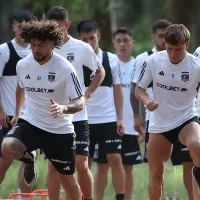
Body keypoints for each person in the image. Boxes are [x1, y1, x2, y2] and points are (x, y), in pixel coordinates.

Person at [1, 19, 85, 200]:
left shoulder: (65, 68)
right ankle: (29, 159)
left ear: (52, 44)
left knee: (68, 181)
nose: (36, 49)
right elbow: (21, 86)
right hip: (32, 122)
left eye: (41, 45)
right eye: (33, 45)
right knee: (7, 147)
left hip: (59, 130)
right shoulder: (23, 65)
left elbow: (80, 102)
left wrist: (63, 108)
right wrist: (17, 112)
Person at [135, 24, 200, 200]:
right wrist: (147, 101)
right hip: (160, 123)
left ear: (187, 44)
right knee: (156, 176)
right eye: (169, 49)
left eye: (177, 50)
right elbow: (138, 90)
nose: (172, 55)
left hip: (187, 117)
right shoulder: (154, 60)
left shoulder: (196, 66)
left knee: (197, 145)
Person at [46, 7, 105, 200]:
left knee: (81, 164)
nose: (53, 29)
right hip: (54, 116)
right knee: (55, 166)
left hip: (78, 115)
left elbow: (100, 72)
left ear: (67, 25)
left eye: (58, 25)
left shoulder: (82, 48)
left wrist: (87, 95)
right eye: (50, 25)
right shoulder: (45, 47)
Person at [77, 20, 125, 200]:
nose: (89, 42)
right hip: (84, 120)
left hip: (108, 119)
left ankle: (120, 197)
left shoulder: (111, 59)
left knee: (115, 159)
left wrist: (120, 118)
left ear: (98, 36)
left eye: (91, 38)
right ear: (79, 40)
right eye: (84, 39)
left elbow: (118, 90)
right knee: (84, 164)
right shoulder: (76, 60)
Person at [0, 10, 38, 197]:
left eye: (27, 27)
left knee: (30, 158)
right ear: (13, 27)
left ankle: (24, 197)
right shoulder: (4, 51)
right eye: (20, 26)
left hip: (33, 117)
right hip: (8, 115)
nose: (23, 30)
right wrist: (0, 111)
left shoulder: (39, 51)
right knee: (5, 159)